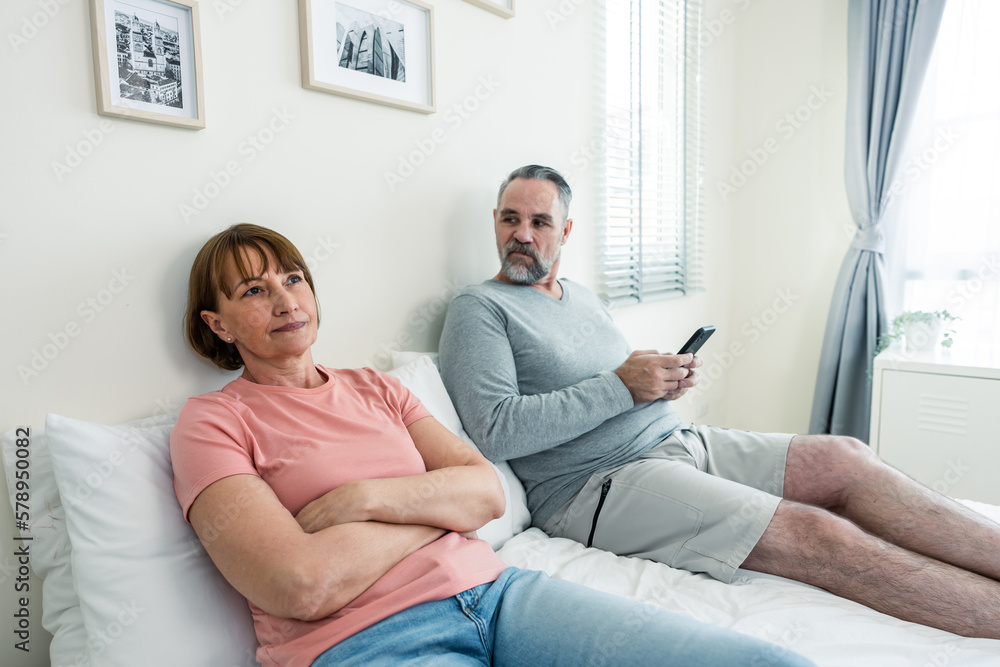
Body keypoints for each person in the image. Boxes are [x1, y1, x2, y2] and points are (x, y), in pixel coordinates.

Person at [169, 223, 813, 667]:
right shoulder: (211, 424)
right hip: (367, 640)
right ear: (217, 323)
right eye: (254, 290)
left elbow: (485, 495)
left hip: (498, 596)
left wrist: (364, 500)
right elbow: (300, 585)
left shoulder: (375, 388)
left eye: (292, 278)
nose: (285, 300)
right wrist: (435, 511)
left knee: (767, 660)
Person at [438, 164, 1000, 641]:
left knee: (845, 458)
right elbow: (496, 429)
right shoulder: (479, 309)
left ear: (566, 231)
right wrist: (622, 386)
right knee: (816, 533)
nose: (522, 235)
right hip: (593, 487)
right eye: (511, 219)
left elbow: (606, 386)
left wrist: (658, 382)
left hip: (673, 439)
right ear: (495, 222)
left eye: (540, 222)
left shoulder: (579, 297)